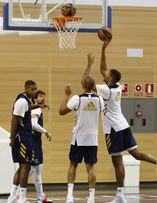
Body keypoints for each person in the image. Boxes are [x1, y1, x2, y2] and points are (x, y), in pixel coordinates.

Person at [95, 40, 157, 203]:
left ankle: (120, 196)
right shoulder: (117, 87)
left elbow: (88, 83)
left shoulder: (107, 90)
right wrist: (103, 48)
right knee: (136, 154)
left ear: (110, 78)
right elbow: (103, 68)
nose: (105, 74)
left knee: (117, 161)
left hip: (113, 129)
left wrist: (89, 66)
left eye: (107, 75)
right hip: (124, 125)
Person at [59, 53, 104, 203]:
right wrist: (89, 65)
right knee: (90, 167)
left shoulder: (77, 98)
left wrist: (66, 95)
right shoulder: (100, 100)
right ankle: (91, 198)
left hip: (78, 138)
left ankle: (70, 196)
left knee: (73, 165)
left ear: (83, 85)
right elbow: (86, 82)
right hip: (93, 139)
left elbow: (61, 111)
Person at [8, 80, 41, 203]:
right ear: (26, 88)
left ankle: (12, 197)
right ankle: (22, 198)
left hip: (25, 137)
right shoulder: (22, 101)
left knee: (22, 167)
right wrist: (12, 139)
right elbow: (14, 120)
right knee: (25, 167)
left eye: (35, 89)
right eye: (32, 89)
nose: (34, 92)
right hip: (22, 139)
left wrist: (38, 106)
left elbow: (27, 109)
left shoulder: (25, 100)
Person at [29, 90, 52, 203]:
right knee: (31, 169)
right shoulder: (36, 109)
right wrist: (46, 131)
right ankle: (16, 192)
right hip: (33, 143)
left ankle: (41, 196)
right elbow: (33, 124)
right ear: (34, 99)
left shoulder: (37, 109)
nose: (43, 98)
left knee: (37, 170)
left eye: (44, 96)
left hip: (37, 143)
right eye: (40, 96)